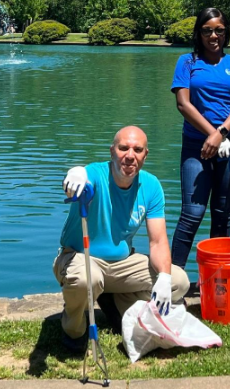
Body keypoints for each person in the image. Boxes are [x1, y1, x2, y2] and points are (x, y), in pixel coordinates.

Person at [54, 126, 190, 350]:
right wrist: (74, 174)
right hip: (79, 258)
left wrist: (164, 278)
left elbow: (157, 242)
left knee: (179, 281)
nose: (130, 155)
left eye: (137, 150)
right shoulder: (95, 174)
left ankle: (117, 304)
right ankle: (73, 329)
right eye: (123, 148)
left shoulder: (152, 186)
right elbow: (76, 184)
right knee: (87, 280)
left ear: (145, 155)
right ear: (112, 151)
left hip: (122, 264)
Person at [170, 7, 230, 269]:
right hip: (197, 145)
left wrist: (222, 134)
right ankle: (173, 279)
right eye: (207, 30)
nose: (213, 35)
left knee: (222, 212)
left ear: (226, 33)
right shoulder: (187, 62)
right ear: (199, 32)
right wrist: (212, 135)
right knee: (192, 214)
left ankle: (217, 277)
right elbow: (183, 104)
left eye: (219, 30)